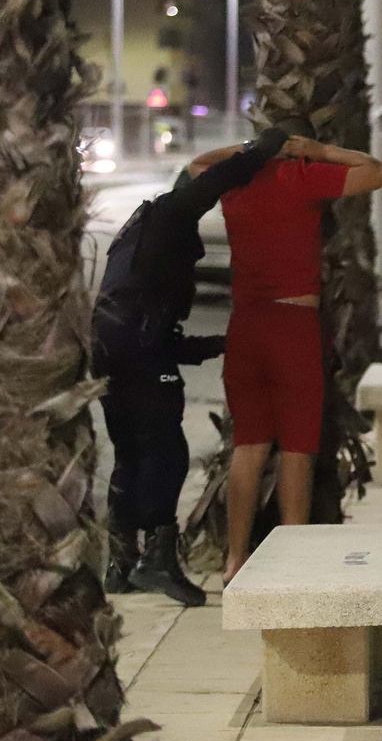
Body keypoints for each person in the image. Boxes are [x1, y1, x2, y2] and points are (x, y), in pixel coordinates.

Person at [95, 129, 289, 606]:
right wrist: (261, 150)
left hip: (114, 339)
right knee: (166, 450)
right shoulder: (171, 211)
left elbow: (163, 341)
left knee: (131, 450)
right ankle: (157, 558)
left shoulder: (142, 232)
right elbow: (215, 179)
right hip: (136, 340)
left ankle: (121, 562)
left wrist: (220, 344)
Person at [218, 119, 382, 584]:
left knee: (248, 444)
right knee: (297, 444)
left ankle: (235, 558)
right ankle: (290, 555)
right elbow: (378, 170)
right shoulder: (302, 176)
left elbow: (196, 165)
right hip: (293, 326)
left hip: (245, 325)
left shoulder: (234, 180)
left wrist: (251, 152)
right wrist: (321, 150)